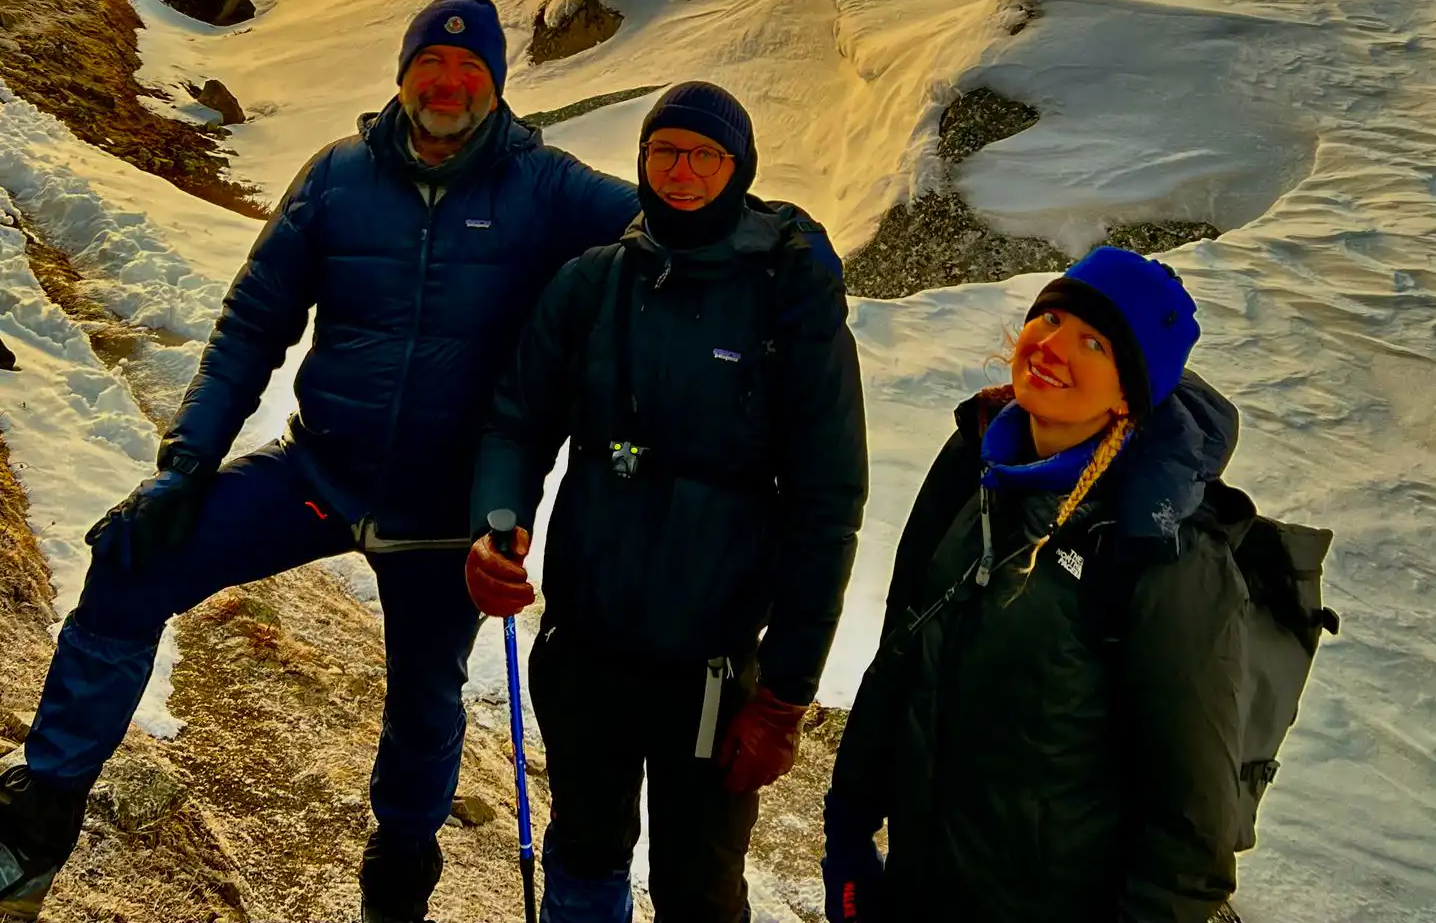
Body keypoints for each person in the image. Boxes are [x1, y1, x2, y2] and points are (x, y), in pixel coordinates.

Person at [0, 0, 638, 923]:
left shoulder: (547, 187)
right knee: (133, 562)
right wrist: (185, 467)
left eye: (471, 69)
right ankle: (37, 819)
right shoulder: (337, 177)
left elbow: (672, 224)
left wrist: (776, 249)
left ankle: (397, 890)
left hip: (443, 513)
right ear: (404, 74)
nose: (449, 82)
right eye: (432, 63)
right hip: (318, 473)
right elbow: (252, 329)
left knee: (424, 705)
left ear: (497, 85)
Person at [467, 81, 868, 923]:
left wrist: (787, 693)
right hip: (585, 652)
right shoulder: (593, 283)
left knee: (699, 885)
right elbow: (518, 419)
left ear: (738, 166)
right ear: (644, 161)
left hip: (714, 674)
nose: (682, 170)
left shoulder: (785, 297)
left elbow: (828, 504)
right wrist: (499, 523)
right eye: (664, 151)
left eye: (704, 154)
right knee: (583, 852)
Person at [823, 247, 1246, 923]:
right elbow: (901, 652)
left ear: (1130, 391)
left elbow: (1190, 831)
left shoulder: (1163, 551)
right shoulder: (979, 466)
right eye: (1048, 318)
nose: (1052, 346)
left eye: (1094, 342)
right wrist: (846, 836)